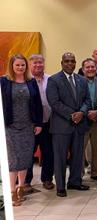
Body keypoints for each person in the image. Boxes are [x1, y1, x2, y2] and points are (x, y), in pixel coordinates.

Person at [46, 52, 91, 197]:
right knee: (60, 158)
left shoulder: (82, 80)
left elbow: (88, 101)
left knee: (78, 156)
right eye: (67, 61)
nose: (70, 64)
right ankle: (60, 186)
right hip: (61, 125)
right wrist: (73, 114)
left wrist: (82, 113)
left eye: (72, 61)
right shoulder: (54, 80)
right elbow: (54, 102)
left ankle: (75, 182)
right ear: (62, 63)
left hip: (79, 124)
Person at [0, 54, 43, 206]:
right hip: (9, 126)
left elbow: (38, 104)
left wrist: (38, 124)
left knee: (25, 157)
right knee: (13, 159)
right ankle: (11, 191)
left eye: (23, 65)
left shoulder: (31, 82)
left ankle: (21, 188)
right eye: (17, 65)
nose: (20, 67)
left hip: (28, 126)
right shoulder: (3, 81)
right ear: (12, 66)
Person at [25, 54, 54, 192]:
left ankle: (47, 179)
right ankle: (26, 181)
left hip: (48, 122)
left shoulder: (51, 79)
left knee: (49, 152)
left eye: (40, 63)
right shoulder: (26, 80)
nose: (38, 65)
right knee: (29, 153)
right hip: (31, 124)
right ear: (30, 65)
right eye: (35, 63)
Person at [82, 58, 97, 181]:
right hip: (83, 120)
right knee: (80, 149)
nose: (90, 69)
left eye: (92, 67)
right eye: (88, 67)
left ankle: (96, 172)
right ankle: (78, 174)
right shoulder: (79, 82)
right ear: (83, 69)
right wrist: (86, 112)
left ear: (96, 69)